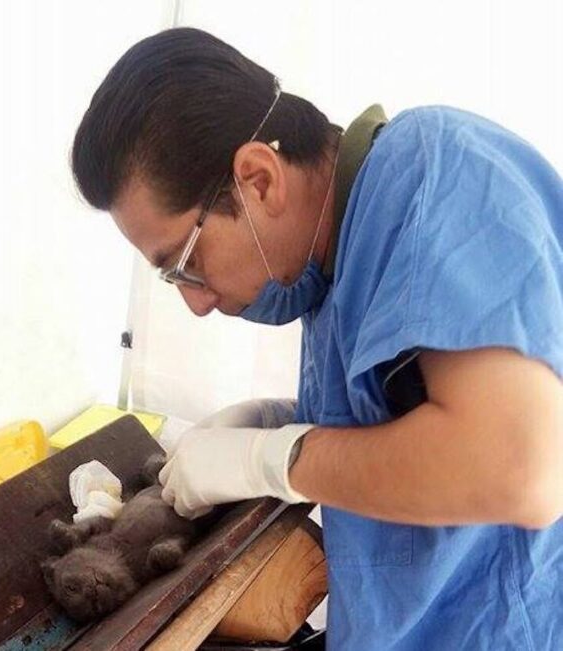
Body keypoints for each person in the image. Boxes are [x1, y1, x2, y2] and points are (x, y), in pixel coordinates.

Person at [70, 27, 563, 651]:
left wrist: (270, 458)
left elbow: (522, 468)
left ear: (259, 179)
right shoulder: (330, 268)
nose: (196, 303)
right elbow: (391, 427)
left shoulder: (434, 174)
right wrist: (277, 423)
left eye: (185, 264)